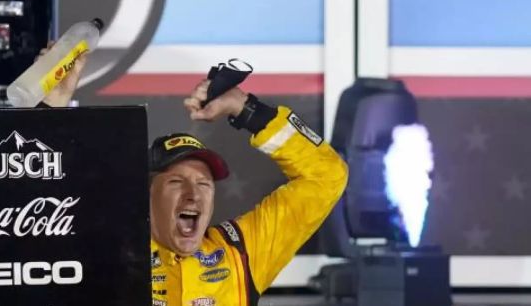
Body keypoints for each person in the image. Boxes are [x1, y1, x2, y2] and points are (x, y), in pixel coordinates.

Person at [40, 51, 348, 306]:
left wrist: (244, 108)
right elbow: (31, 203)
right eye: (175, 182)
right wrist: (48, 110)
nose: (193, 195)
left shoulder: (241, 250)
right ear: (144, 195)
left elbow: (326, 176)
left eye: (204, 184)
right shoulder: (108, 248)